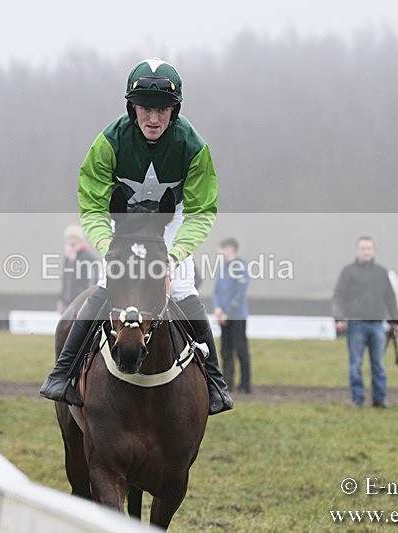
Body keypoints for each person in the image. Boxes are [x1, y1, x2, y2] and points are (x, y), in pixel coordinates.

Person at [39, 57, 233, 415]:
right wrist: (105, 246)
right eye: (145, 109)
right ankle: (63, 374)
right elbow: (93, 204)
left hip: (168, 221)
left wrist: (176, 255)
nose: (154, 119)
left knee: (182, 286)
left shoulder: (193, 145)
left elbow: (201, 209)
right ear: (132, 107)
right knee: (106, 281)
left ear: (175, 110)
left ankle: (215, 383)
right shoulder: (108, 142)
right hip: (121, 221)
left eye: (163, 110)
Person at [332, 236, 398, 408]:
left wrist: (395, 319)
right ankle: (357, 399)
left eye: (369, 248)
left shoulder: (381, 272)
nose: (366, 251)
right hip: (356, 325)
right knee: (355, 364)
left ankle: (380, 399)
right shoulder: (347, 272)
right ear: (357, 251)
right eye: (363, 248)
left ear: (373, 251)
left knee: (378, 365)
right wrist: (339, 318)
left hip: (377, 325)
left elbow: (389, 297)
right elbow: (339, 296)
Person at [212, 237, 252, 393]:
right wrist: (217, 309)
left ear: (231, 248)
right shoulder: (223, 268)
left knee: (240, 349)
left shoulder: (239, 266)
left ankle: (245, 384)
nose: (219, 251)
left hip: (237, 317)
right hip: (223, 317)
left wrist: (228, 312)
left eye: (222, 248)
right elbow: (217, 291)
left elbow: (240, 293)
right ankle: (227, 383)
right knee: (225, 350)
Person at [57, 225, 98, 314]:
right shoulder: (68, 259)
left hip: (81, 304)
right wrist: (62, 299)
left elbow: (89, 283)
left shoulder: (88, 258)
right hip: (68, 304)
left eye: (73, 244)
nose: (70, 247)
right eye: (68, 243)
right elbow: (65, 281)